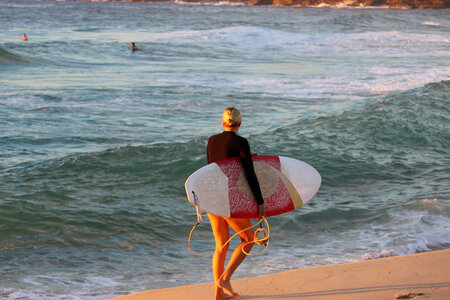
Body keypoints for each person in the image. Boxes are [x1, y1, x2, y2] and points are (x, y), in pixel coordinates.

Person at [206, 107, 266, 300]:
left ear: (222, 122)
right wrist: (260, 202)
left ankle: (218, 294)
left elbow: (216, 166)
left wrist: (247, 158)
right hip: (229, 200)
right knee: (248, 240)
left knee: (221, 246)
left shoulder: (212, 140)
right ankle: (225, 279)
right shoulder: (241, 142)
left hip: (212, 197)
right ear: (239, 124)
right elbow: (249, 174)